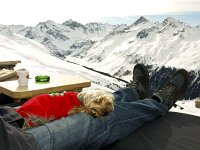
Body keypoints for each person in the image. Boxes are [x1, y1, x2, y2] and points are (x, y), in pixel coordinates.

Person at [0, 64, 189, 150]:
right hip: (17, 142)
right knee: (103, 117)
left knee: (101, 102)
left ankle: (134, 92)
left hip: (8, 122)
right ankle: (158, 102)